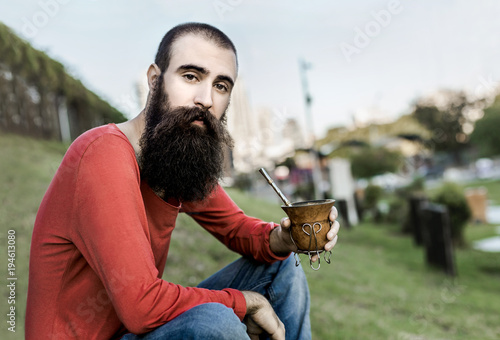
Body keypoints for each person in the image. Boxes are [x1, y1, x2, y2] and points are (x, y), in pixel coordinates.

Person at [26, 22, 340, 340]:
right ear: (154, 79)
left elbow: (236, 229)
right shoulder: (102, 153)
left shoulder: (174, 157)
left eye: (221, 86)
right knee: (216, 322)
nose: (205, 99)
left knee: (282, 270)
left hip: (128, 332)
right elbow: (142, 307)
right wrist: (245, 302)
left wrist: (284, 239)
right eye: (191, 76)